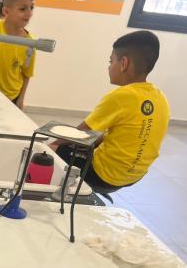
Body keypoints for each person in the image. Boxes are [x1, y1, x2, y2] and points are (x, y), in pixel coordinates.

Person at [50, 31, 170, 192]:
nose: (109, 67)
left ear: (124, 63)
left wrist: (51, 145)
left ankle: (64, 193)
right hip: (134, 176)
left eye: (111, 61)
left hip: (104, 175)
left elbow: (82, 132)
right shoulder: (160, 97)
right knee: (93, 140)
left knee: (60, 149)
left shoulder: (122, 96)